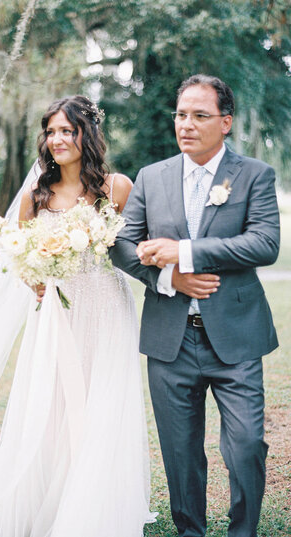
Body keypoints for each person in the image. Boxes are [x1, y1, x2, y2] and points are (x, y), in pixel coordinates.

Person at [0, 95, 155, 537]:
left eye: (67, 130)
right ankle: (52, 492)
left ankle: (96, 501)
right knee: (52, 403)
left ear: (86, 135)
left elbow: (136, 254)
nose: (57, 139)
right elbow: (20, 261)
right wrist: (33, 280)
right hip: (54, 315)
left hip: (107, 311)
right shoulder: (35, 197)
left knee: (103, 400)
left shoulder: (117, 188)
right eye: (51, 131)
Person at [110, 74, 280, 537]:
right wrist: (169, 276)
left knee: (245, 444)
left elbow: (265, 243)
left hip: (237, 337)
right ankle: (190, 531)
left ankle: (243, 530)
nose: (187, 124)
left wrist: (185, 252)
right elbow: (122, 244)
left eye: (200, 116)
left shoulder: (255, 175)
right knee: (180, 451)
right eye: (181, 115)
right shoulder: (151, 176)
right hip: (170, 338)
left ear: (225, 122)